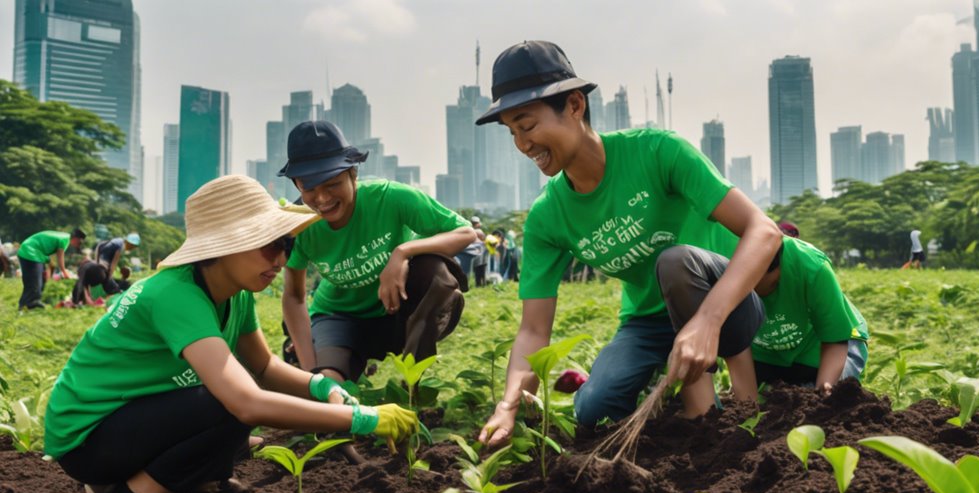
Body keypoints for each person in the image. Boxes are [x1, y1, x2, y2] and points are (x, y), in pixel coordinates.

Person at [43, 175, 419, 493]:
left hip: (131, 420)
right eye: (269, 245)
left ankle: (196, 480)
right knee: (229, 405)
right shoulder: (175, 295)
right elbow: (245, 402)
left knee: (233, 410)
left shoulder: (235, 293)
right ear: (224, 246)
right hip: (87, 439)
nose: (281, 258)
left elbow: (266, 368)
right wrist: (364, 419)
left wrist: (322, 386)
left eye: (286, 244)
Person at [475, 41, 781, 446]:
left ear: (574, 105)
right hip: (649, 320)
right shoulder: (548, 217)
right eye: (512, 132)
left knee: (675, 262)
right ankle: (669, 375)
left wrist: (707, 322)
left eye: (527, 125)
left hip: (723, 302)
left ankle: (706, 419)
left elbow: (764, 231)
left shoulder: (657, 152)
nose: (522, 144)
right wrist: (509, 405)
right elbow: (533, 330)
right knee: (592, 407)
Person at [279, 121, 477, 384]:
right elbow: (293, 296)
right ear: (296, 185)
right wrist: (312, 376)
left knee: (435, 272)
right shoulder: (299, 225)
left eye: (332, 184)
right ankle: (315, 358)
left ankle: (412, 384)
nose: (323, 198)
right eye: (310, 189)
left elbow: (465, 233)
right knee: (332, 387)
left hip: (395, 312)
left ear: (353, 174)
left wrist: (402, 252)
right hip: (339, 318)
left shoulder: (390, 198)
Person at [750, 236, 869, 395]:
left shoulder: (812, 266)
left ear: (777, 271)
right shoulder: (722, 269)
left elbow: (835, 340)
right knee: (769, 400)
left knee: (815, 397)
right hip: (767, 353)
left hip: (827, 345)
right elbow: (738, 353)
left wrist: (824, 393)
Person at [17, 228, 85, 310]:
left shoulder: (64, 237)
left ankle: (31, 302)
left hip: (34, 252)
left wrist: (49, 273)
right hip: (31, 252)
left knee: (42, 279)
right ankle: (28, 304)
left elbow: (52, 261)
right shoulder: (64, 240)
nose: (79, 245)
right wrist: (65, 273)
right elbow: (60, 260)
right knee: (34, 282)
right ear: (75, 238)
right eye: (79, 242)